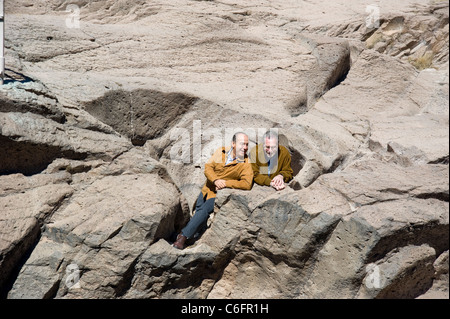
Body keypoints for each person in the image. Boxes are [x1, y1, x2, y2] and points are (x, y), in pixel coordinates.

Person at [173, 132, 253, 250]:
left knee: (204, 210)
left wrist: (226, 183)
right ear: (233, 144)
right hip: (207, 189)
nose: (245, 147)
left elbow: (247, 184)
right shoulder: (221, 152)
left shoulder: (246, 163)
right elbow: (208, 167)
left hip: (219, 194)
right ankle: (194, 234)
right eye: (242, 144)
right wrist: (215, 180)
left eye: (247, 144)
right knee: (200, 212)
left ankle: (183, 237)